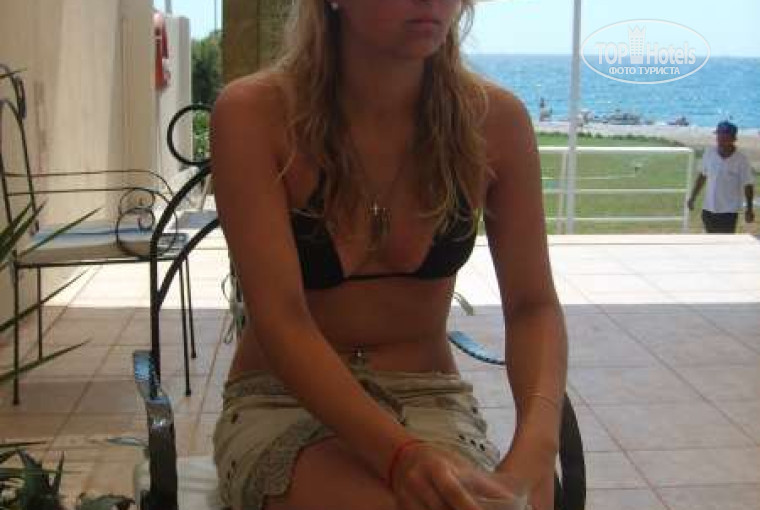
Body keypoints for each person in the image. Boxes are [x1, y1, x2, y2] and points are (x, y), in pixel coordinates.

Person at [210, 1, 568, 510]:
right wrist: (401, 457)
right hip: (282, 400)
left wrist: (536, 450)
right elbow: (281, 318)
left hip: (428, 398)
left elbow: (533, 305)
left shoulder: (494, 123)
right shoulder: (256, 115)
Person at [688, 121, 755, 233]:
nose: (720, 140)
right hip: (708, 208)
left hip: (729, 211)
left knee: (724, 240)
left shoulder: (741, 159)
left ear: (733, 139)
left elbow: (748, 185)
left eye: (724, 137)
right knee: (711, 239)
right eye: (719, 136)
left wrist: (749, 209)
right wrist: (692, 197)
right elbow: (702, 176)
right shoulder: (709, 153)